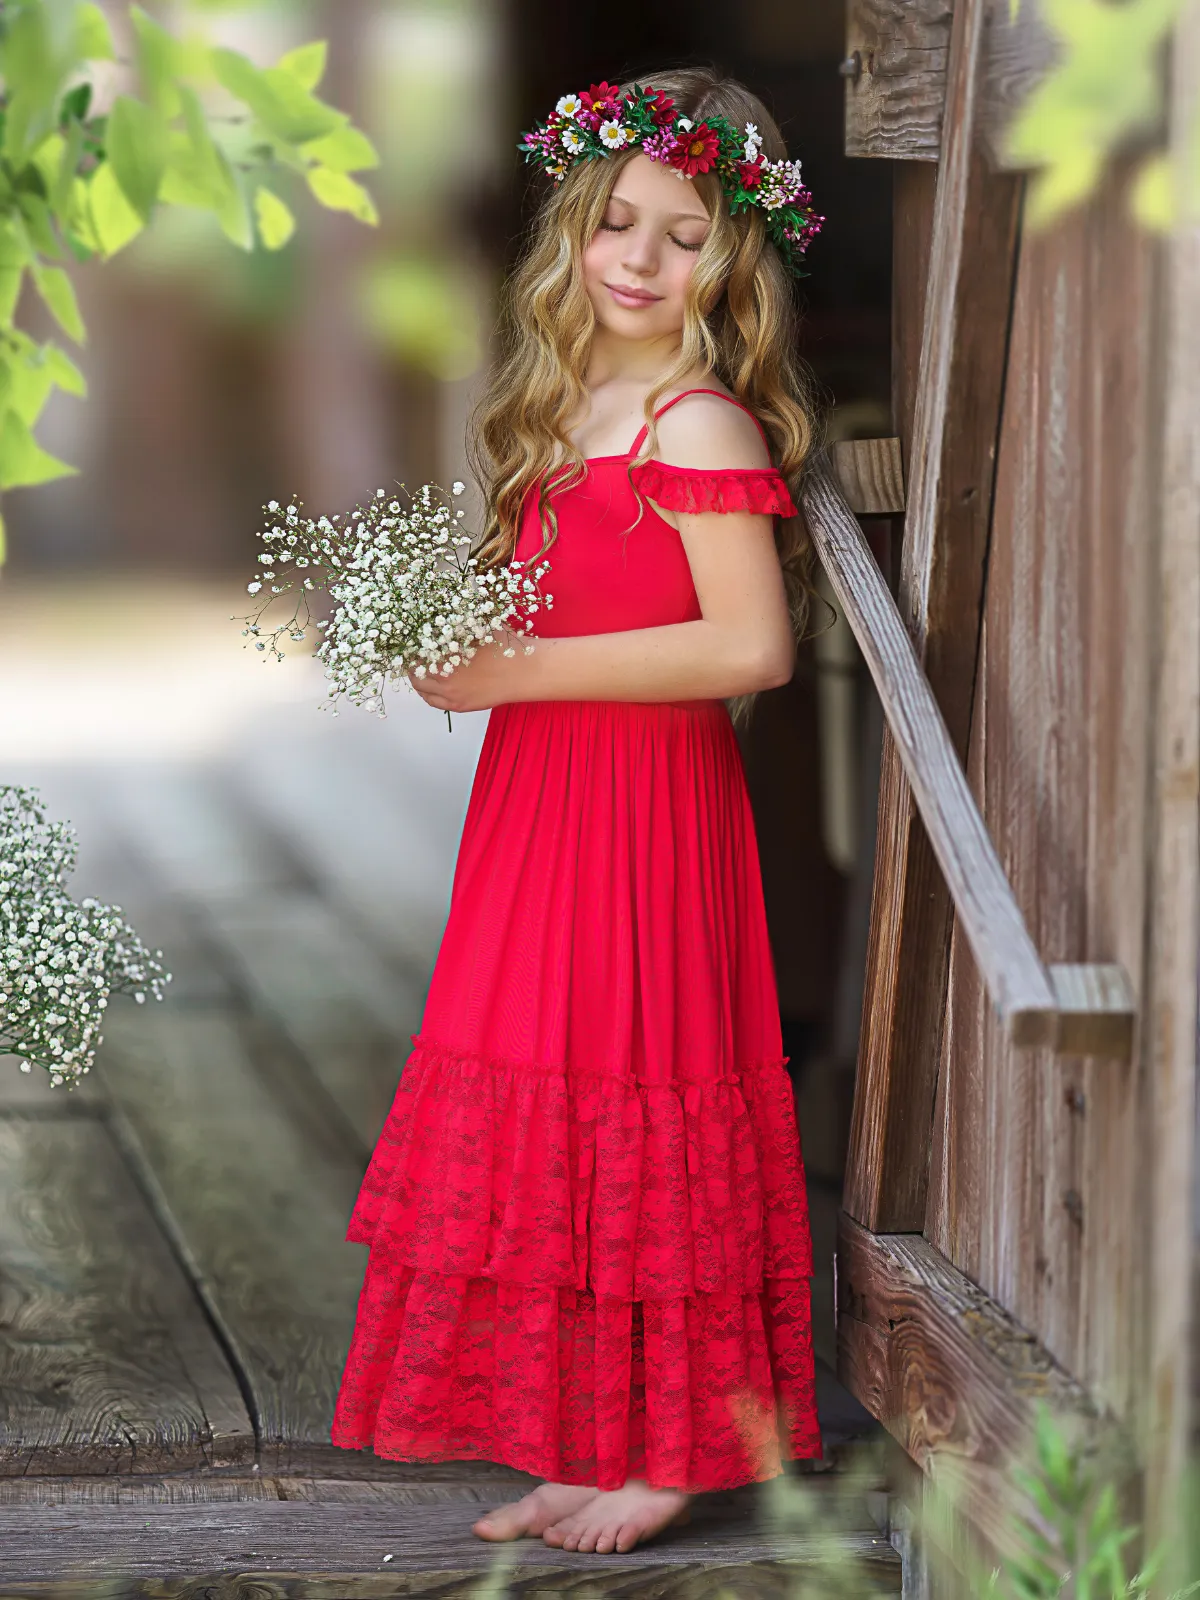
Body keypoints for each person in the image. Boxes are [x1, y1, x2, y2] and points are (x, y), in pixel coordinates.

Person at [330, 65, 827, 1557]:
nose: (639, 259)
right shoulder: (567, 403)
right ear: (574, 227)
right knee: (544, 1082)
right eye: (618, 222)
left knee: (636, 1076)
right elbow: (555, 602)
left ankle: (674, 1446)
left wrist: (523, 665)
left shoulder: (698, 422)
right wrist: (447, 648)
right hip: (540, 800)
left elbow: (751, 650)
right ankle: (583, 1433)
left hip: (642, 808)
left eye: (684, 236)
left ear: (731, 261)